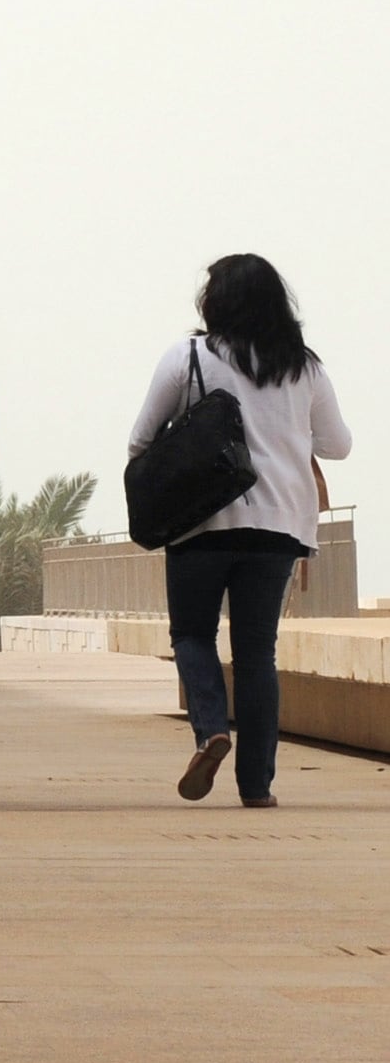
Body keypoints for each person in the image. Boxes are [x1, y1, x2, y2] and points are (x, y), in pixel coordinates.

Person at [131, 253, 351, 809]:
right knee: (257, 656)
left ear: (215, 301)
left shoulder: (188, 357)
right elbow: (339, 445)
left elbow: (140, 441)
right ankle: (257, 787)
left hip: (201, 522)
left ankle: (211, 732)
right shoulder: (304, 366)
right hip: (278, 528)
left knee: (192, 635)